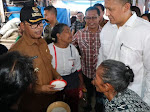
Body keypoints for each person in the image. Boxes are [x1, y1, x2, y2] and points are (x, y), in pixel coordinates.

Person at [97, 0, 150, 106]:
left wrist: (146, 103)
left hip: (134, 100)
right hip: (109, 96)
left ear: (126, 7)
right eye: (106, 8)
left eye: (110, 9)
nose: (106, 14)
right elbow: (102, 58)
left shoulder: (145, 31)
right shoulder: (107, 29)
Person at [9, 6, 62, 112]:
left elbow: (48, 64)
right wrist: (40, 89)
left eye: (41, 23)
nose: (39, 28)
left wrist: (57, 76)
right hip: (32, 105)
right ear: (22, 26)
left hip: (50, 99)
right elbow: (16, 85)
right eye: (34, 24)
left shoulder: (42, 42)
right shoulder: (16, 51)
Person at [48, 23, 85, 112]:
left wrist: (81, 85)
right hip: (55, 80)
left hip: (72, 79)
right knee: (56, 105)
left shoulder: (73, 49)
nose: (71, 34)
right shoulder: (49, 49)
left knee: (73, 104)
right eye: (67, 31)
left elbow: (78, 69)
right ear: (59, 36)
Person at [72, 6, 102, 112]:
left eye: (94, 18)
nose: (91, 21)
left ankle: (99, 108)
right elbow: (69, 46)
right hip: (87, 72)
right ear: (84, 19)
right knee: (89, 94)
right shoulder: (79, 34)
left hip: (101, 74)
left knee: (100, 97)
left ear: (100, 18)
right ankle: (88, 107)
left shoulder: (105, 34)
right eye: (88, 18)